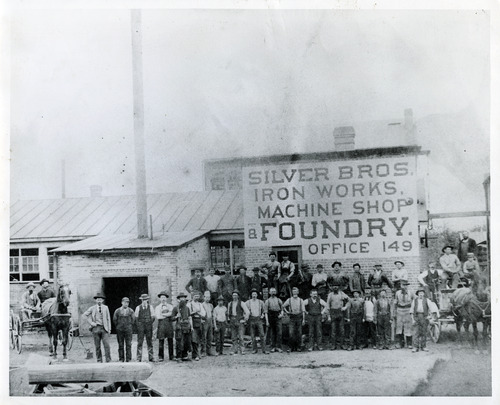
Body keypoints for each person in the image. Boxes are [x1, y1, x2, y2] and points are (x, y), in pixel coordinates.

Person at [82, 292, 111, 363]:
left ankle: (108, 360)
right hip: (95, 329)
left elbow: (108, 319)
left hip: (104, 329)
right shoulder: (92, 308)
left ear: (103, 300)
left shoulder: (105, 308)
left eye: (100, 299)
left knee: (106, 345)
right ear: (95, 300)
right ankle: (99, 360)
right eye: (98, 299)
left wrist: (109, 329)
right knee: (97, 346)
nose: (99, 301)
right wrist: (91, 322)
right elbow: (84, 315)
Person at [410, 288, 439, 352]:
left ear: (423, 294)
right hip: (416, 316)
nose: (421, 294)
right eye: (419, 293)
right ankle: (415, 347)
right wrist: (412, 319)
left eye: (422, 293)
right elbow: (411, 310)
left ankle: (424, 346)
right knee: (415, 332)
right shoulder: (415, 301)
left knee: (424, 332)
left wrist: (430, 317)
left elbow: (432, 308)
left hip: (424, 317)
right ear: (417, 294)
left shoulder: (427, 300)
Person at [326, 284, 349, 350]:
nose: (335, 287)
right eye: (334, 286)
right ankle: (333, 345)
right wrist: (328, 316)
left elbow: (348, 301)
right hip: (333, 312)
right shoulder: (330, 295)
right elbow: (327, 305)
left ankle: (342, 345)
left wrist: (345, 307)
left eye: (336, 286)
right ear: (332, 287)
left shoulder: (342, 293)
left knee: (342, 330)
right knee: (333, 330)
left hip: (340, 312)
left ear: (339, 287)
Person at [393, 281, 414, 349]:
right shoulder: (397, 293)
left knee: (408, 327)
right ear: (400, 286)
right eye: (403, 285)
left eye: (406, 285)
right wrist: (394, 312)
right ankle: (400, 343)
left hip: (408, 310)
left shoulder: (411, 293)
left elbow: (414, 301)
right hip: (399, 311)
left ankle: (409, 343)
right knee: (399, 327)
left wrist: (412, 311)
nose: (404, 287)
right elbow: (395, 303)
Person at [245, 288, 268, 354]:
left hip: (258, 319)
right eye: (253, 294)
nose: (254, 295)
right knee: (253, 335)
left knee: (262, 334)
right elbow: (244, 310)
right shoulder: (248, 302)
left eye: (255, 294)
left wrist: (262, 316)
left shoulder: (260, 302)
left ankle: (264, 349)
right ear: (251, 295)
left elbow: (264, 310)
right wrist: (246, 317)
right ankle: (254, 349)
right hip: (251, 319)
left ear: (257, 295)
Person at [283, 286, 305, 352]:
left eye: (296, 291)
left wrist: (303, 319)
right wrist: (287, 312)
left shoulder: (301, 300)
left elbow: (303, 310)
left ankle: (298, 347)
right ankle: (291, 347)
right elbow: (283, 306)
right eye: (294, 291)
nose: (295, 293)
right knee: (291, 333)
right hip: (292, 317)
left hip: (299, 317)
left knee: (299, 332)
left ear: (298, 292)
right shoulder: (289, 300)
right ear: (292, 292)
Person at [113, 297, 135, 362]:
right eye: (125, 302)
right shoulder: (117, 311)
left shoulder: (131, 311)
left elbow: (133, 320)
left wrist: (129, 326)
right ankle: (121, 359)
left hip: (128, 329)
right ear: (122, 302)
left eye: (127, 302)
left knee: (128, 344)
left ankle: (128, 359)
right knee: (120, 344)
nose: (126, 304)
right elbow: (114, 320)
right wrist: (119, 326)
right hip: (120, 330)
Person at [227, 290, 250, 355]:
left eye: (236, 295)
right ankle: (235, 350)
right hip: (232, 321)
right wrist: (229, 320)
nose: (234, 297)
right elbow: (229, 313)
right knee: (233, 337)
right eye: (233, 295)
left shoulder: (242, 303)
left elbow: (247, 312)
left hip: (239, 321)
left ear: (238, 296)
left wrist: (245, 320)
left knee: (241, 337)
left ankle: (242, 350)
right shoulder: (230, 304)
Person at [135, 293, 156, 362]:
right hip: (141, 327)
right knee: (140, 342)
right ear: (141, 300)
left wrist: (149, 323)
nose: (144, 301)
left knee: (149, 341)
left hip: (148, 326)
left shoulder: (151, 307)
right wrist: (139, 325)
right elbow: (136, 318)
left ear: (147, 300)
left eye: (145, 300)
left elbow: (153, 317)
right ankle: (138, 358)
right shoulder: (138, 307)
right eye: (143, 300)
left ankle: (151, 357)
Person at [172, 292, 193, 362]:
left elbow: (189, 317)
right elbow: (171, 318)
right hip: (179, 327)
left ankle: (185, 356)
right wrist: (176, 316)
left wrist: (191, 326)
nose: (183, 300)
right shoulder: (175, 308)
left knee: (187, 341)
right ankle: (179, 357)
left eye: (184, 298)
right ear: (178, 300)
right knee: (179, 342)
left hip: (187, 326)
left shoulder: (187, 308)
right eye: (181, 298)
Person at [155, 291, 175, 362]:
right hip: (161, 325)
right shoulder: (157, 307)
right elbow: (158, 316)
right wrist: (167, 314)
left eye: (164, 297)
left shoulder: (170, 306)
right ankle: (161, 356)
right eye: (161, 297)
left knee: (170, 340)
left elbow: (172, 314)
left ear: (166, 298)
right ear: (160, 299)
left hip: (169, 324)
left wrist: (163, 314)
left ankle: (171, 356)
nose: (163, 299)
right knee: (161, 340)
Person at [187, 290, 206, 361]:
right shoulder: (189, 304)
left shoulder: (200, 304)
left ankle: (198, 353)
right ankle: (194, 355)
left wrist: (198, 312)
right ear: (192, 297)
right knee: (193, 339)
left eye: (198, 296)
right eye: (195, 296)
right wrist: (195, 312)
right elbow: (188, 313)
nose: (197, 298)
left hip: (199, 322)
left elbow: (203, 314)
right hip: (192, 321)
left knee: (199, 338)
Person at [264, 287, 284, 353]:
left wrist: (281, 314)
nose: (273, 292)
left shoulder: (279, 300)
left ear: (276, 292)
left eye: (274, 291)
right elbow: (266, 312)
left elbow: (282, 309)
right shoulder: (267, 301)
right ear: (269, 292)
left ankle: (278, 347)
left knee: (279, 332)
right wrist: (267, 321)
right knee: (272, 333)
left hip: (278, 317)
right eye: (272, 291)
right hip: (271, 317)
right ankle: (273, 347)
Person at [201, 291, 214, 356]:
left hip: (210, 321)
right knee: (204, 336)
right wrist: (202, 320)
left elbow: (212, 314)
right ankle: (203, 351)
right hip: (205, 321)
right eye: (206, 297)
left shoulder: (211, 305)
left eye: (209, 297)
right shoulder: (202, 305)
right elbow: (200, 314)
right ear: (204, 297)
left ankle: (209, 351)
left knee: (210, 336)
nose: (208, 299)